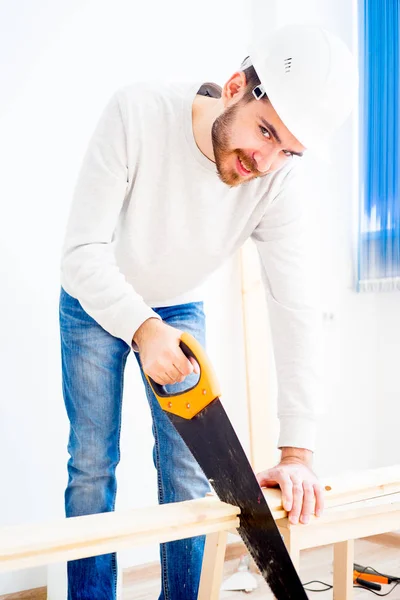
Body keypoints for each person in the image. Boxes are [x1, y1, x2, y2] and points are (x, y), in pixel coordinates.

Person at [59, 23, 357, 600]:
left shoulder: (278, 182)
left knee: (190, 479)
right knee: (91, 468)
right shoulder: (137, 113)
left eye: (286, 150)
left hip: (178, 302)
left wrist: (297, 453)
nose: (264, 160)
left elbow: (296, 307)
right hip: (94, 299)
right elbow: (81, 253)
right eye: (265, 130)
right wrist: (143, 328)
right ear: (236, 86)